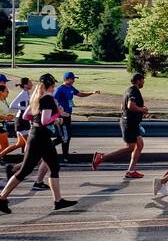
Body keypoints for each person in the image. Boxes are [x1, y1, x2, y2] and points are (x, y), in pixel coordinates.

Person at [0, 74, 77, 213]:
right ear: (50, 86)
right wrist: (57, 115)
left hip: (36, 136)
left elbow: (26, 116)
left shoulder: (36, 97)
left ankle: (58, 200)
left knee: (46, 167)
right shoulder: (47, 99)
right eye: (53, 86)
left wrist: (39, 119)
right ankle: (2, 198)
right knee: (32, 169)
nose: (54, 89)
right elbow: (45, 120)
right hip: (41, 137)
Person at [92, 72, 149, 178]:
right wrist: (142, 109)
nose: (144, 82)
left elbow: (122, 105)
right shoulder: (133, 91)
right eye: (142, 80)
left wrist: (137, 112)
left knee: (140, 144)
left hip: (132, 122)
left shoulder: (129, 90)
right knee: (130, 148)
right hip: (129, 123)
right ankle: (101, 158)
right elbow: (130, 105)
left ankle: (131, 171)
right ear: (138, 81)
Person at [52, 71, 99, 158]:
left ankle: (62, 154)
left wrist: (92, 92)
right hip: (61, 117)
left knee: (66, 137)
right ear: (66, 79)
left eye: (74, 79)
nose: (74, 80)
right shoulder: (59, 89)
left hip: (67, 116)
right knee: (65, 137)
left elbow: (80, 94)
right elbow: (53, 101)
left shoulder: (71, 88)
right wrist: (58, 114)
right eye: (72, 79)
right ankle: (64, 156)